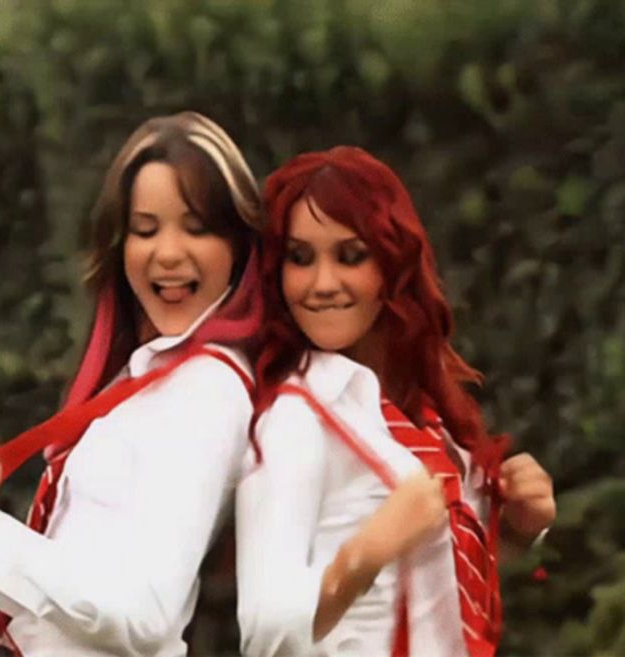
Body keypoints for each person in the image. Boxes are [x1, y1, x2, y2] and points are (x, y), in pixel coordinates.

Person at [0, 111, 265, 657]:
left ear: (240, 245)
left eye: (197, 226)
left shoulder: (209, 392)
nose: (169, 252)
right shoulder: (149, 378)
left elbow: (142, 614)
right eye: (145, 228)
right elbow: (74, 595)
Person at [236, 146, 556, 657]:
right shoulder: (296, 418)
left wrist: (518, 530)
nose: (322, 284)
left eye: (350, 256)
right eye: (299, 258)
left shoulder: (424, 416)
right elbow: (263, 630)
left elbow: (440, 587)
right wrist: (367, 552)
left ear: (390, 262)